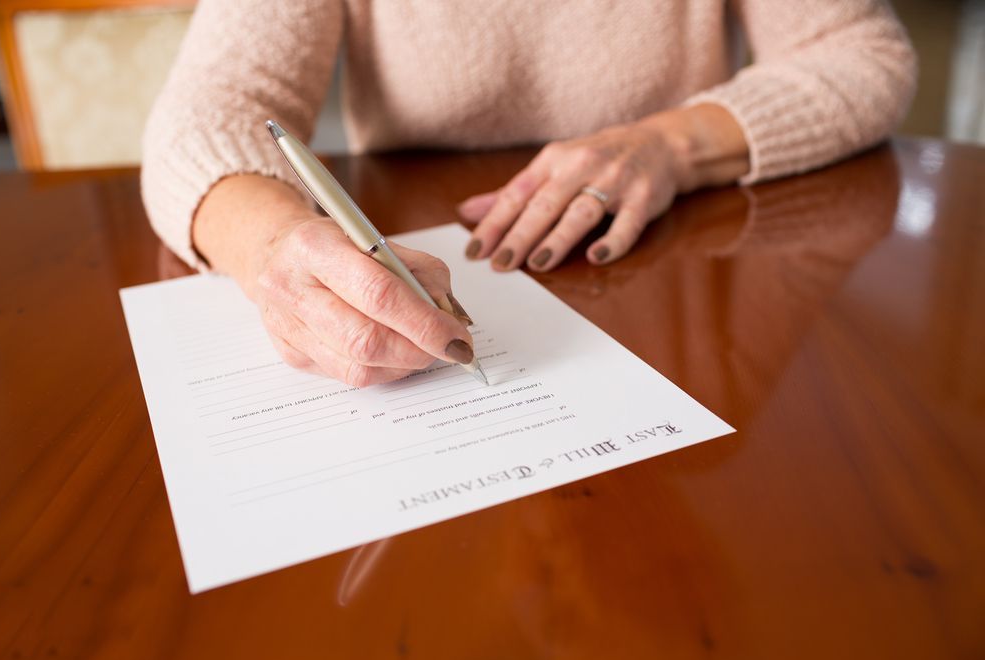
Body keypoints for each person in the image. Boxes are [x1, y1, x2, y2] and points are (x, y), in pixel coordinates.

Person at [142, 0, 916, 387]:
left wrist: (671, 142)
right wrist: (274, 244)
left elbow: (861, 50)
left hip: (670, 273)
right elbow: (207, 116)